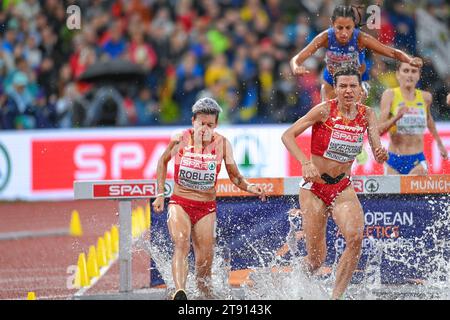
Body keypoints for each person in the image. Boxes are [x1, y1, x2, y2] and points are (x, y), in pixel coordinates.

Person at [281, 68, 388, 300]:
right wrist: (305, 162)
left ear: (361, 90)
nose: (348, 91)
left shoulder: (368, 114)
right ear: (335, 90)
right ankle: (293, 284)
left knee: (355, 238)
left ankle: (335, 297)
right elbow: (287, 135)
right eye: (343, 86)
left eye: (353, 86)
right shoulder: (324, 110)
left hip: (342, 187)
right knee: (316, 260)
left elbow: (376, 145)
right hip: (314, 189)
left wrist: (380, 153)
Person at [152, 97, 266, 300]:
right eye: (201, 123)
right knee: (181, 243)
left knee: (204, 263)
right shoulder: (180, 139)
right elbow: (162, 162)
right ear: (193, 121)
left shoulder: (223, 144)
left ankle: (205, 297)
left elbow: (236, 176)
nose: (204, 129)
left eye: (209, 125)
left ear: (216, 125)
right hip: (181, 202)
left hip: (206, 208)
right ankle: (180, 292)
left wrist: (250, 187)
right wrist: (160, 194)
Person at [290, 5, 423, 101]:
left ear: (354, 25)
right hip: (331, 79)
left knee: (354, 115)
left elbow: (392, 52)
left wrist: (409, 60)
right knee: (328, 113)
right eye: (339, 28)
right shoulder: (326, 37)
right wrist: (296, 67)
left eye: (348, 28)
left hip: (357, 80)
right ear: (332, 25)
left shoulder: (361, 38)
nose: (344, 33)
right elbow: (297, 58)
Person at [378, 62, 448, 175]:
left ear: (419, 75)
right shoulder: (389, 95)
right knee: (393, 193)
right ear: (398, 74)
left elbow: (429, 119)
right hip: (393, 159)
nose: (410, 75)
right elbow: (378, 131)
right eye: (406, 71)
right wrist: (396, 118)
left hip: (417, 159)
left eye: (413, 71)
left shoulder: (426, 97)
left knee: (418, 188)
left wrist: (439, 143)